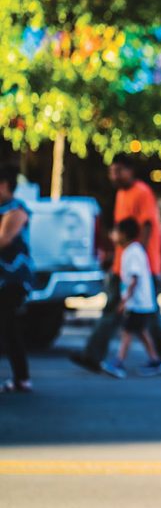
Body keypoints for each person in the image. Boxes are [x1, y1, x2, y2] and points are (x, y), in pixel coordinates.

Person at [70, 154, 161, 373]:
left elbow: (147, 225)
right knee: (114, 312)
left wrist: (140, 257)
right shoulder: (121, 194)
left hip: (141, 268)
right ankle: (93, 354)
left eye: (118, 171)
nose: (114, 176)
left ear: (129, 170)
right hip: (122, 267)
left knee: (150, 315)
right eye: (111, 171)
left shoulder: (142, 192)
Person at [100, 218, 161, 379]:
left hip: (138, 302)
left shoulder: (133, 251)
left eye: (116, 232)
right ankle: (156, 360)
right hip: (139, 302)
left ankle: (119, 362)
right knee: (141, 331)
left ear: (124, 234)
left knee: (127, 331)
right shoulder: (130, 251)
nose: (113, 235)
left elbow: (134, 279)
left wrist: (125, 300)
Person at [0, 165, 34, 392]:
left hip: (13, 279)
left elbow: (4, 239)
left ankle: (22, 378)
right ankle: (21, 378)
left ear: (4, 185)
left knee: (8, 325)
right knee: (8, 327)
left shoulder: (17, 209)